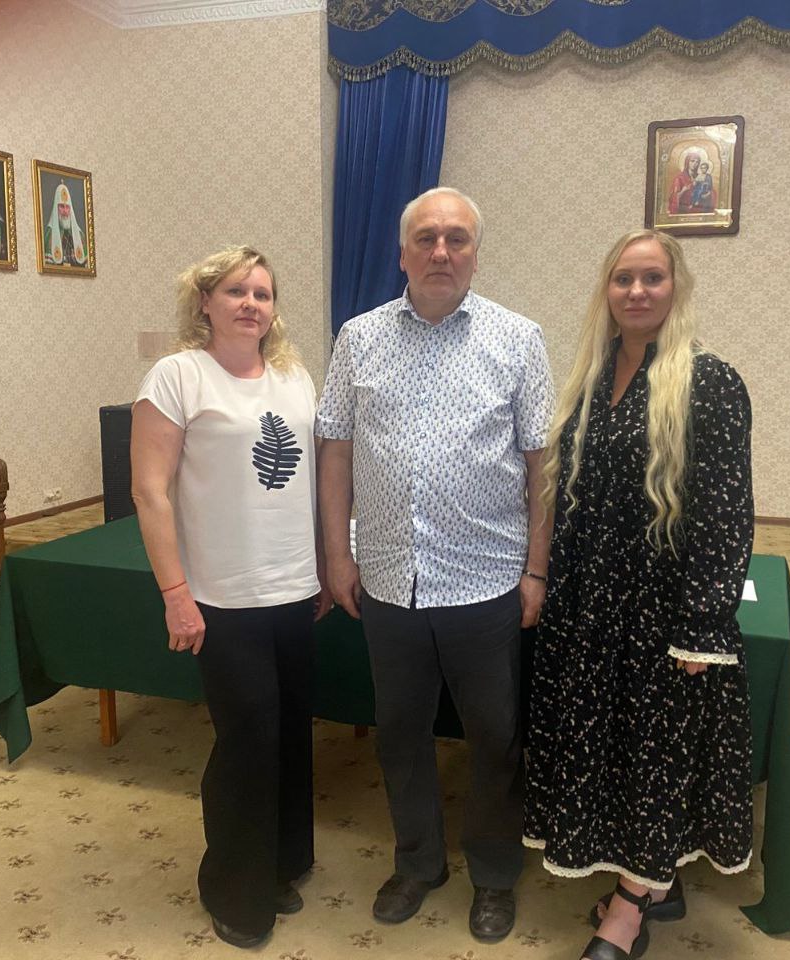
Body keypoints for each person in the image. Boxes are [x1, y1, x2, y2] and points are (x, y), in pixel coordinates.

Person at [316, 186, 554, 943]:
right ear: (402, 253)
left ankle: (494, 874)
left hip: (487, 580)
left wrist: (537, 571)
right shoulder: (357, 338)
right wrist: (337, 554)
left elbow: (541, 465)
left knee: (493, 737)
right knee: (400, 735)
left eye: (456, 238)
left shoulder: (519, 339)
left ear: (476, 253)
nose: (441, 251)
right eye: (426, 238)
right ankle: (418, 863)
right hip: (388, 580)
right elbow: (335, 451)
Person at [523, 229, 754, 960]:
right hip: (591, 604)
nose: (637, 291)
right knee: (614, 751)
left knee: (654, 758)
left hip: (661, 613)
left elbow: (725, 510)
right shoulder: (590, 379)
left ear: (676, 288)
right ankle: (656, 879)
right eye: (623, 278)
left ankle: (626, 911)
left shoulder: (710, 381)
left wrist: (704, 623)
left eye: (652, 277)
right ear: (607, 290)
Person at [130, 245, 331, 949]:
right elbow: (150, 492)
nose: (251, 304)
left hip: (294, 589)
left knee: (290, 735)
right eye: (237, 291)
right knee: (246, 741)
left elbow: (313, 479)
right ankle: (234, 889)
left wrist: (322, 566)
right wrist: (175, 593)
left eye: (263, 294)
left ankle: (280, 864)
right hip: (222, 596)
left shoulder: (294, 377)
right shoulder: (177, 376)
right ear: (205, 302)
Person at [43, 181, 86, 265]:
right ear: (56, 208)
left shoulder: (80, 235)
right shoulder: (50, 233)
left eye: (67, 207)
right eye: (62, 206)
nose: (65, 211)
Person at [667, 149, 704, 216]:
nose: (695, 164)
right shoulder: (679, 178)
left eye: (697, 162)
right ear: (687, 162)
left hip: (697, 209)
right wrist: (683, 190)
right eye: (692, 161)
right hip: (683, 211)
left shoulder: (700, 177)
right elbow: (674, 197)